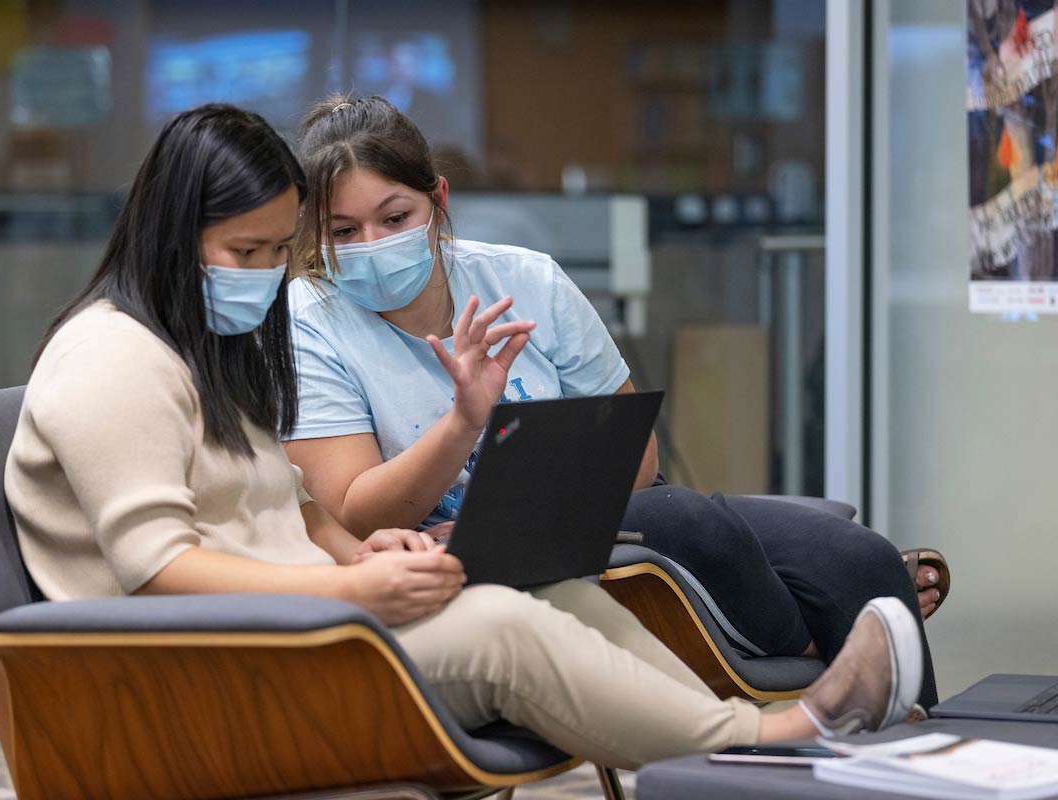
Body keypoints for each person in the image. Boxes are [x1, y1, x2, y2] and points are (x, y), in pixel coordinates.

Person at [3, 103, 921, 771]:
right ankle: (773, 738)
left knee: (560, 588)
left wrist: (361, 550)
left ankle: (736, 751)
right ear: (171, 236)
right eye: (248, 253)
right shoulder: (109, 361)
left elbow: (298, 507)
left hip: (299, 623)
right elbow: (158, 567)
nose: (270, 276)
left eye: (281, 252)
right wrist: (352, 582)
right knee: (499, 624)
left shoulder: (205, 352)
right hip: (221, 665)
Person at [282, 93, 944, 708]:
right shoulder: (308, 323)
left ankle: (939, 758)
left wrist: (523, 516)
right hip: (448, 558)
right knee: (687, 520)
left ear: (439, 200)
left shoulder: (523, 280)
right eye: (342, 232)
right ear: (313, 232)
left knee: (861, 559)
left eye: (395, 218)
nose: (372, 246)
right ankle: (828, 668)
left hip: (582, 519)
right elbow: (355, 514)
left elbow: (636, 459)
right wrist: (463, 422)